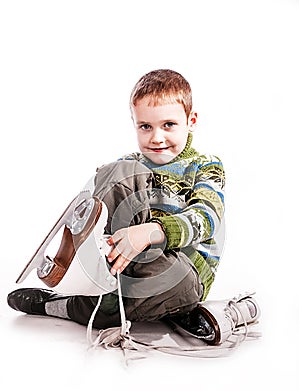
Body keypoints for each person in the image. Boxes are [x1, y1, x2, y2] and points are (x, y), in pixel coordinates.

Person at [7, 69, 259, 346]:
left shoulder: (204, 166)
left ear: (191, 121)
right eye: (145, 127)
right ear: (135, 123)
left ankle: (64, 305)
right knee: (120, 170)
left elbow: (206, 216)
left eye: (169, 125)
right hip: (123, 261)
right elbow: (109, 188)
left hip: (178, 269)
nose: (156, 138)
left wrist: (151, 231)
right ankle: (73, 253)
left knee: (175, 284)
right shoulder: (131, 162)